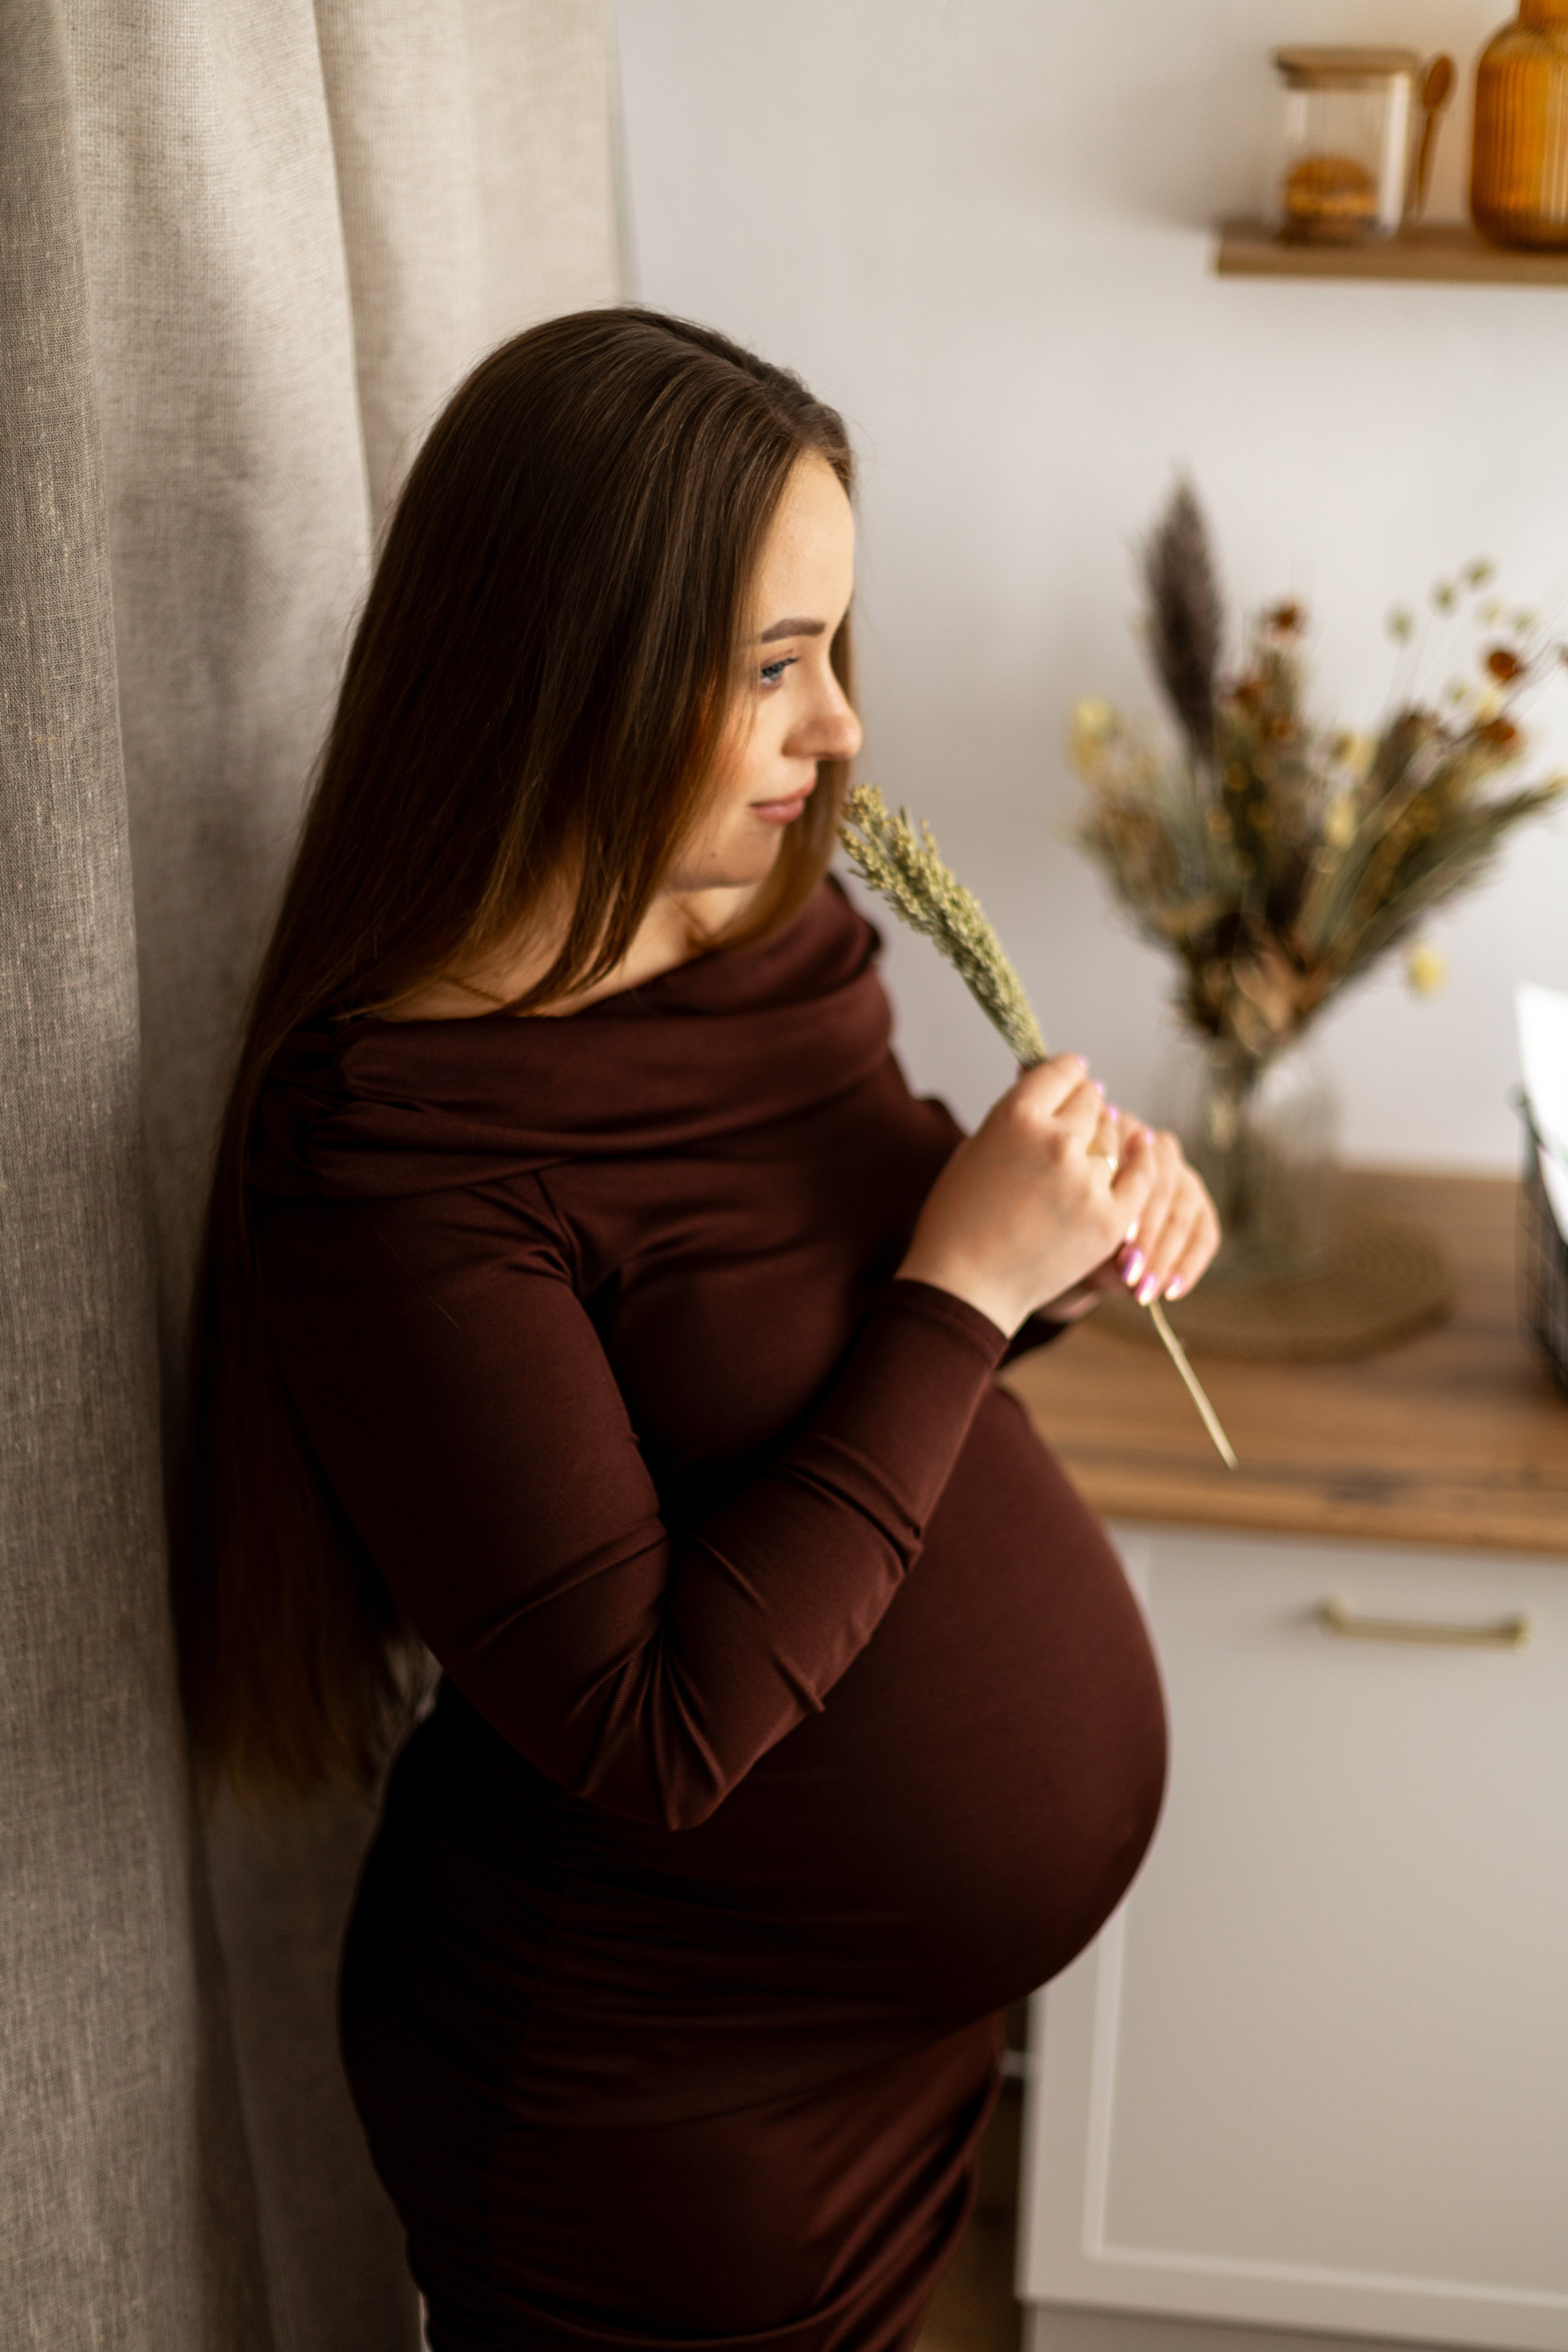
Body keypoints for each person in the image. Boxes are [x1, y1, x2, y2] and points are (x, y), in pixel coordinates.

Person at [176, 307, 1219, 2352]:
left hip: (891, 2040)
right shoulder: (390, 1146)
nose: (842, 729)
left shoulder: (766, 928)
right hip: (654, 2113)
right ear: (562, 673)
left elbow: (830, 1352)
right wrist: (963, 1287)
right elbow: (654, 1728)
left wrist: (1059, 1258)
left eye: (833, 649)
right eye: (771, 668)